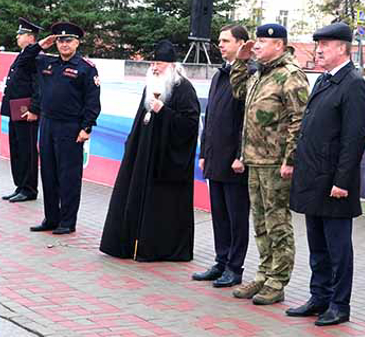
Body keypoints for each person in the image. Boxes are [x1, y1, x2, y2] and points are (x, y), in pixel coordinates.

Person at [285, 22, 365, 327]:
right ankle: (318, 296)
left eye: (325, 44)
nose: (319, 49)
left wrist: (342, 181)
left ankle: (339, 304)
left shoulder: (354, 84)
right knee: (318, 247)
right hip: (313, 179)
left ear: (342, 48)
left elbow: (354, 138)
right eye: (318, 44)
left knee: (338, 248)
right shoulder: (324, 80)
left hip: (334, 183)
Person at [229, 23, 309, 305]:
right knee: (261, 222)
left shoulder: (290, 75)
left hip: (276, 162)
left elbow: (299, 120)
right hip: (256, 159)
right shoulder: (259, 74)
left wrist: (291, 159)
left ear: (279, 45)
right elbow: (238, 92)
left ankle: (278, 281)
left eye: (263, 41)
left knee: (278, 223)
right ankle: (264, 273)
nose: (258, 45)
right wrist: (241, 60)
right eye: (257, 40)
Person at [100, 40, 201, 261]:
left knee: (161, 207)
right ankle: (129, 244)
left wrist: (164, 111)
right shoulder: (151, 86)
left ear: (172, 66)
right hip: (144, 155)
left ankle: (158, 248)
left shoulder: (183, 88)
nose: (154, 68)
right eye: (152, 63)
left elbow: (190, 125)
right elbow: (141, 119)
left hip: (165, 161)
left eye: (160, 64)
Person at [25, 22, 101, 235]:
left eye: (68, 40)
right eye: (60, 40)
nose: (64, 44)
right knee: (48, 174)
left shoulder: (86, 68)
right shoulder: (48, 63)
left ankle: (67, 221)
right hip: (48, 124)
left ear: (77, 42)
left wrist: (87, 127)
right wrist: (40, 45)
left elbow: (92, 102)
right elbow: (22, 62)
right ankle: (51, 218)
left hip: (70, 127)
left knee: (68, 176)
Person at [193, 26, 251, 286]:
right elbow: (210, 117)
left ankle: (234, 267)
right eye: (219, 41)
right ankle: (221, 261)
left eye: (226, 40)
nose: (221, 45)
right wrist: (204, 151)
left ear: (241, 43)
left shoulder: (249, 75)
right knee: (219, 213)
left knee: (236, 215)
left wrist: (241, 155)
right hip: (215, 157)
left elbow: (248, 122)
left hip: (235, 161)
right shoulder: (219, 75)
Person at [0, 18, 41, 203]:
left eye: (21, 34)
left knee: (27, 150)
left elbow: (38, 86)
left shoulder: (35, 57)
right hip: (15, 109)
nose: (17, 36)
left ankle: (29, 188)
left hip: (26, 111)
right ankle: (20, 185)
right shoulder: (24, 54)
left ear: (31, 38)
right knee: (16, 149)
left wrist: (34, 109)